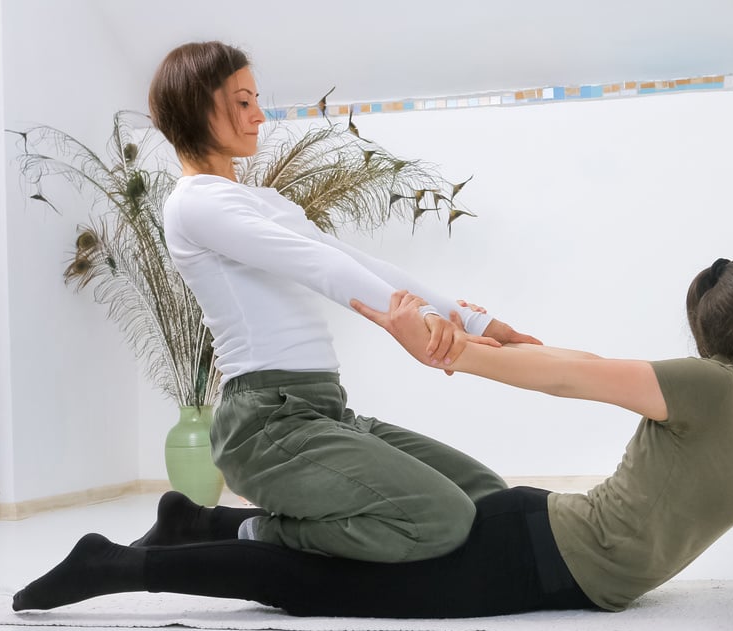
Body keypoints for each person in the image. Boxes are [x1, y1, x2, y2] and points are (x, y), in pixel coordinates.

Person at [12, 250, 733, 616]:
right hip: (536, 557)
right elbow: (574, 371)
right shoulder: (712, 388)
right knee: (321, 586)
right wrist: (459, 353)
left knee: (348, 559)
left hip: (543, 549)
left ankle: (199, 523)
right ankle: (118, 566)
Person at [139, 41, 541, 564]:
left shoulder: (263, 201)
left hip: (323, 409)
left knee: (486, 493)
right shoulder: (192, 205)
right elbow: (318, 267)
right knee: (441, 518)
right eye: (242, 102)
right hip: (264, 423)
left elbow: (358, 262)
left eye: (256, 99)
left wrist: (475, 319)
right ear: (196, 106)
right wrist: (414, 320)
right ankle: (256, 535)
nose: (259, 115)